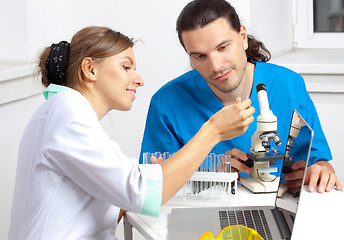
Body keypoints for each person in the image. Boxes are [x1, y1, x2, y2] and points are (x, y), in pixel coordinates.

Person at [8, 26, 255, 239]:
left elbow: (108, 205)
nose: (139, 80)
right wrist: (213, 130)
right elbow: (140, 192)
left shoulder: (58, 112)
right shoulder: (68, 111)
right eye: (126, 67)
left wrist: (167, 174)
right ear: (90, 69)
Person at [140, 0, 342, 194]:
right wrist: (210, 176)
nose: (216, 66)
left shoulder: (288, 85)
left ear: (243, 37)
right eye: (200, 56)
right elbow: (150, 189)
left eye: (223, 47)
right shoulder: (166, 104)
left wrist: (320, 173)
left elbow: (319, 161)